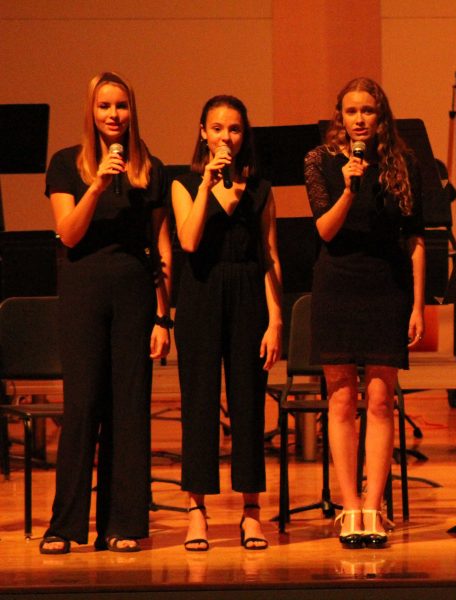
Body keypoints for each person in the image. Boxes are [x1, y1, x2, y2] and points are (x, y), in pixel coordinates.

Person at [40, 72, 172, 554]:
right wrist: (96, 186)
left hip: (135, 293)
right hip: (83, 292)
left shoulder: (150, 169)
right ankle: (65, 525)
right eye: (104, 106)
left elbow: (161, 248)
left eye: (121, 106)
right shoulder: (65, 165)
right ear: (91, 113)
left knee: (129, 408)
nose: (114, 115)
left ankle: (124, 523)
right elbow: (69, 234)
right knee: (82, 407)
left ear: (132, 111)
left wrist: (163, 317)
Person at [303, 77, 425, 550]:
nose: (359, 119)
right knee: (340, 400)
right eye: (351, 111)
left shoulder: (403, 164)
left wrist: (417, 303)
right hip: (337, 284)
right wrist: (350, 189)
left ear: (381, 116)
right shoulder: (320, 162)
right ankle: (349, 505)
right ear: (340, 116)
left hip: (386, 287)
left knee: (379, 400)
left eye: (368, 111)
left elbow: (415, 239)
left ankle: (374, 506)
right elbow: (327, 231)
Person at [171, 95, 283, 551]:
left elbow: (271, 255)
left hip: (248, 295)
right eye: (217, 128)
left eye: (234, 129)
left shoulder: (260, 189)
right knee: (198, 401)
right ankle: (196, 510)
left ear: (244, 136)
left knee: (248, 404)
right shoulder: (181, 183)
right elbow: (190, 240)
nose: (225, 137)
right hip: (199, 293)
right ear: (202, 132)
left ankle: (251, 512)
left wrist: (276, 319)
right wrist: (208, 187)